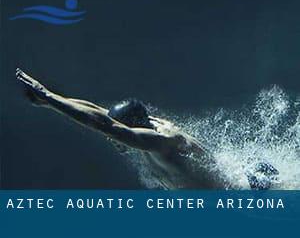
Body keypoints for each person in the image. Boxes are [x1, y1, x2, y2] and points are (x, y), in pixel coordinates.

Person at [15, 68, 277, 189]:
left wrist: (48, 97)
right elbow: (99, 114)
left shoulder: (161, 142)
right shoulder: (146, 127)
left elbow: (105, 125)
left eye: (115, 134)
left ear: (132, 128)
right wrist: (51, 101)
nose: (111, 139)